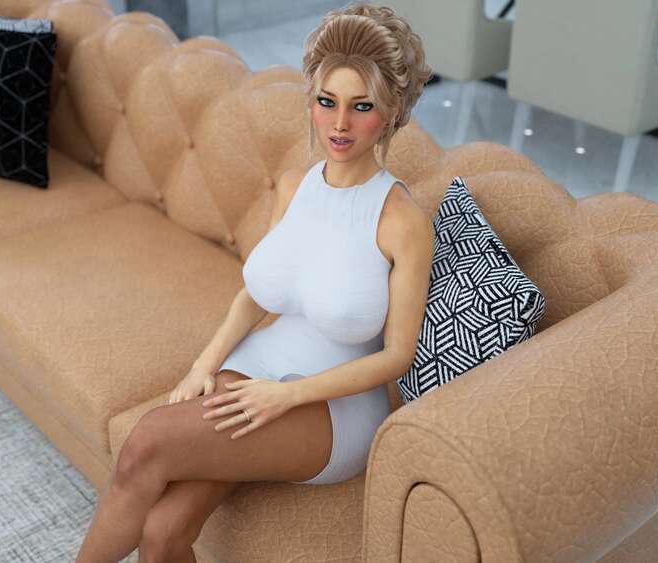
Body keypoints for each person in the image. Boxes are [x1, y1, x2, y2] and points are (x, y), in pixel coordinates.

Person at [75, 3, 434, 562]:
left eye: (361, 106)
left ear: (390, 114)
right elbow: (257, 294)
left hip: (334, 407)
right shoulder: (294, 185)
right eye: (327, 102)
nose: (339, 123)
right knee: (164, 529)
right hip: (258, 362)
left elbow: (397, 357)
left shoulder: (401, 221)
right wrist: (203, 366)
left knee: (146, 441)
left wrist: (285, 396)